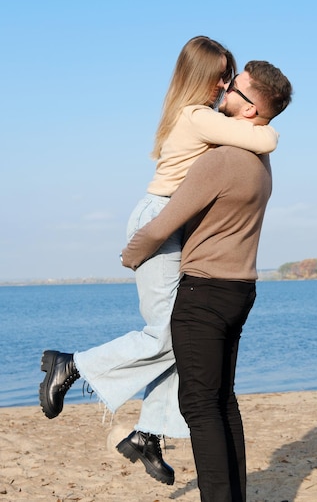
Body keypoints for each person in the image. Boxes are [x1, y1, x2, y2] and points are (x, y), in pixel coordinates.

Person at [39, 38, 279, 487]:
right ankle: (72, 365)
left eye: (231, 77)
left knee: (181, 334)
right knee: (173, 332)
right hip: (161, 219)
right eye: (221, 76)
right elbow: (263, 134)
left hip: (176, 220)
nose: (225, 84)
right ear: (200, 78)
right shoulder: (198, 117)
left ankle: (149, 431)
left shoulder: (201, 117)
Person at [121, 61, 293, 502]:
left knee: (199, 405)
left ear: (251, 109)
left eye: (235, 86)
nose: (226, 90)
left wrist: (133, 254)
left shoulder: (222, 159)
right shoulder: (260, 163)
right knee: (222, 401)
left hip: (204, 291)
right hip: (240, 289)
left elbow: (165, 223)